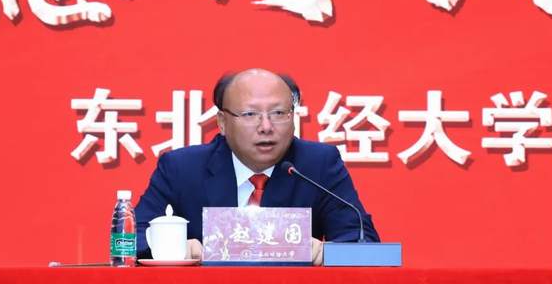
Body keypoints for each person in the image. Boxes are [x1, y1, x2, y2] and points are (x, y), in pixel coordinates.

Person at [134, 69, 380, 265]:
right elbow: (130, 241)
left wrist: (327, 253)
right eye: (250, 115)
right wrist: (173, 248)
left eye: (279, 113)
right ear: (222, 123)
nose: (266, 127)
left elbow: (364, 243)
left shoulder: (318, 164)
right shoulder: (182, 168)